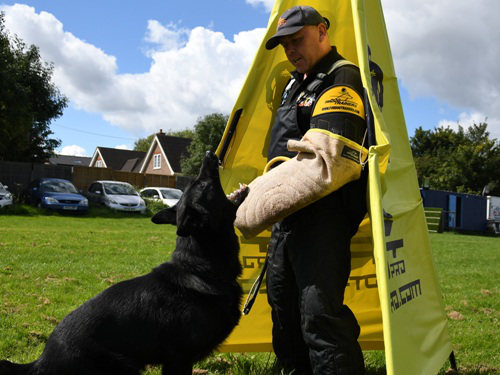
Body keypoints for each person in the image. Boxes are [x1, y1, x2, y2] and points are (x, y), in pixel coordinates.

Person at [263, 5, 367, 374]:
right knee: (284, 309)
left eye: (298, 39)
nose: (291, 50)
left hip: (323, 217)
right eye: (285, 44)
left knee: (319, 315)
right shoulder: (295, 83)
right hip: (287, 217)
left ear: (322, 31)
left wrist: (264, 197)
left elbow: (327, 162)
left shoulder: (342, 79)